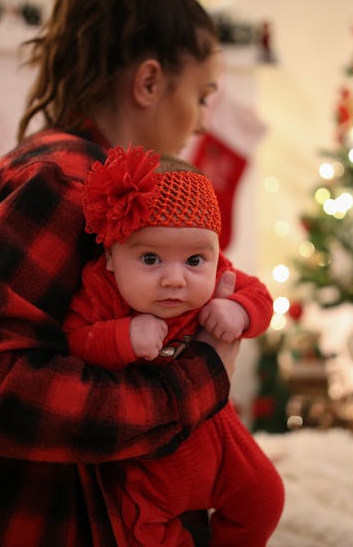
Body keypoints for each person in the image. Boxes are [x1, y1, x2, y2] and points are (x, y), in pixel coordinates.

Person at [0, 0, 248, 544]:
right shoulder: (64, 181)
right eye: (200, 97)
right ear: (149, 82)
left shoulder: (75, 175)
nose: (200, 122)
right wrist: (197, 381)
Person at [63, 146, 284, 546]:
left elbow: (262, 298)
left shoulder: (221, 279)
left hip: (218, 435)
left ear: (216, 254)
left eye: (195, 261)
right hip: (148, 461)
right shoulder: (101, 289)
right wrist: (124, 336)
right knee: (143, 531)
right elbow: (76, 338)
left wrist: (239, 311)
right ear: (111, 257)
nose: (175, 280)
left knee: (264, 497)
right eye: (150, 258)